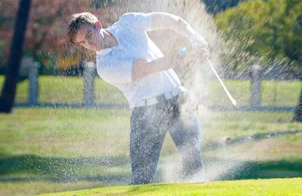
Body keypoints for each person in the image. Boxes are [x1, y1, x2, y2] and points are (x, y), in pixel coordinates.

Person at [68, 11, 209, 185]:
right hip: (145, 114)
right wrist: (187, 57)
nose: (89, 44)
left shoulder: (128, 22)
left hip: (177, 100)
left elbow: (170, 20)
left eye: (89, 35)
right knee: (142, 178)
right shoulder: (104, 67)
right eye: (83, 42)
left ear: (98, 25)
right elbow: (145, 69)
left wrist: (194, 37)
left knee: (192, 161)